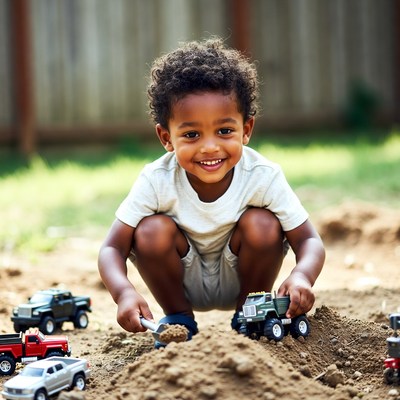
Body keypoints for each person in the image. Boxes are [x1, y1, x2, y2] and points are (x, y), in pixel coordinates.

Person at [98, 38, 325, 345]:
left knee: (263, 223)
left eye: (224, 131)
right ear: (166, 137)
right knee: (150, 230)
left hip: (247, 282)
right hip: (179, 282)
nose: (209, 147)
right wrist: (123, 293)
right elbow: (112, 248)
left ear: (246, 130)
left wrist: (301, 276)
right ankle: (179, 320)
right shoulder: (156, 179)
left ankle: (249, 318)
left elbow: (309, 240)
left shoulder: (262, 176)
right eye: (191, 134)